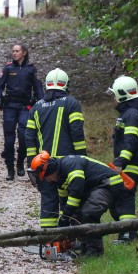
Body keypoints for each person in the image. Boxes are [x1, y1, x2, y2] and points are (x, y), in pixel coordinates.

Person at [27, 152, 135, 257]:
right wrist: (64, 220)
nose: (48, 181)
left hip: (109, 183)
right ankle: (84, 247)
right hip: (95, 187)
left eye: (46, 178)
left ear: (48, 171)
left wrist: (65, 216)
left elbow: (77, 189)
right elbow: (64, 203)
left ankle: (95, 251)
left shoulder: (70, 164)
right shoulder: (60, 180)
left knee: (89, 213)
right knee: (75, 215)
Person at [25, 68, 87, 228]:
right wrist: (82, 158)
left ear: (46, 85)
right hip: (68, 164)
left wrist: (32, 165)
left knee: (48, 201)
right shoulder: (71, 103)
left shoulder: (36, 107)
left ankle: (48, 241)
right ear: (66, 85)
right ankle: (69, 238)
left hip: (44, 165)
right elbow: (77, 134)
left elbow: (30, 139)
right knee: (69, 202)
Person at [0, 44, 43, 180]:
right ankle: (10, 169)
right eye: (13, 51)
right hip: (10, 106)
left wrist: (43, 104)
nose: (14, 53)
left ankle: (20, 162)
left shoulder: (31, 69)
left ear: (24, 53)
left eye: (17, 51)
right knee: (9, 139)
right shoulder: (8, 68)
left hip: (25, 106)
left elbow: (38, 87)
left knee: (24, 135)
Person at [107, 76, 138, 243]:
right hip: (128, 162)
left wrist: (120, 162)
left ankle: (128, 235)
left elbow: (130, 142)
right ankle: (127, 232)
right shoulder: (129, 113)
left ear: (122, 94)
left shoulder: (131, 114)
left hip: (132, 163)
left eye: (114, 94)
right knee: (116, 196)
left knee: (124, 196)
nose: (113, 98)